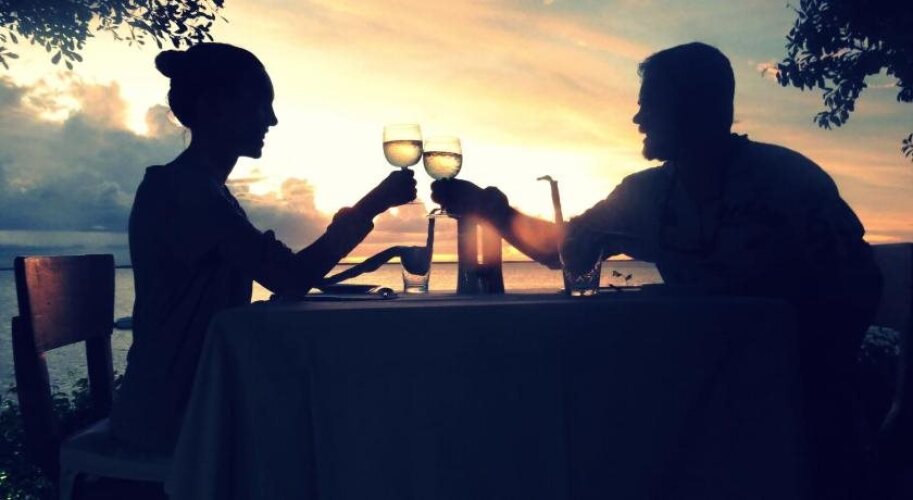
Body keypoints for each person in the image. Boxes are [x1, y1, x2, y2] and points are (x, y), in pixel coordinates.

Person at [432, 42, 881, 499]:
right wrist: (493, 211)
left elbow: (859, 289)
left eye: (649, 103)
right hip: (698, 408)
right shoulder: (643, 197)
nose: (638, 118)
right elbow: (564, 250)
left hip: (804, 411)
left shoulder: (788, 182)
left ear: (695, 106)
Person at [110, 43, 417, 452]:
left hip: (193, 399)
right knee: (346, 424)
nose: (271, 119)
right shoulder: (186, 192)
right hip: (174, 415)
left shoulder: (201, 189)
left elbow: (281, 272)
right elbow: (290, 277)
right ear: (212, 107)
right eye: (259, 103)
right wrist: (371, 206)